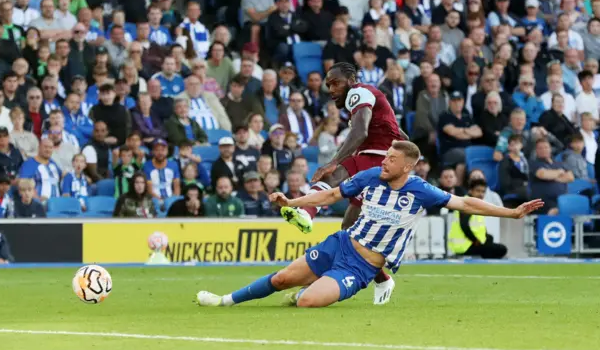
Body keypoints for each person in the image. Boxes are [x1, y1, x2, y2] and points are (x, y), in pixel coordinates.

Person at [197, 141, 542, 308]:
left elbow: (465, 202)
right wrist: (292, 202)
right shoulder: (370, 176)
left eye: (392, 158)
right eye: (386, 156)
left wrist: (511, 212)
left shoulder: (420, 190)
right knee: (281, 277)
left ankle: (376, 280)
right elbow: (331, 195)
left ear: (407, 167)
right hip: (342, 243)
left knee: (304, 302)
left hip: (364, 265)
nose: (385, 161)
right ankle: (224, 301)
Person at [279, 62, 407, 304]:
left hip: (376, 157)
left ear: (351, 80)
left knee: (331, 175)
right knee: (348, 232)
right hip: (380, 158)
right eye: (328, 85)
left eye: (335, 83)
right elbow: (401, 135)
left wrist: (334, 161)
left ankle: (306, 213)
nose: (331, 88)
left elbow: (360, 133)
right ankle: (381, 278)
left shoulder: (358, 92)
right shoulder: (369, 99)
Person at [448, 179, 509, 259]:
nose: (481, 194)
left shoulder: (474, 204)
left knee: (490, 239)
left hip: (468, 244)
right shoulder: (467, 203)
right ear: (471, 191)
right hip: (464, 246)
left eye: (483, 192)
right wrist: (475, 241)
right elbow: (464, 225)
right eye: (478, 191)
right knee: (501, 249)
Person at [530, 138, 574, 215]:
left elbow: (570, 177)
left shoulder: (559, 163)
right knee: (555, 211)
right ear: (536, 151)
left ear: (550, 149)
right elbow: (543, 175)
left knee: (573, 208)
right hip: (542, 202)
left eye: (546, 147)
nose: (543, 150)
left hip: (561, 199)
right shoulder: (534, 163)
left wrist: (552, 177)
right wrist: (560, 172)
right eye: (540, 148)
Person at [18, 138, 62, 202]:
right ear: (39, 148)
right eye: (45, 147)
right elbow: (23, 184)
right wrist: (37, 198)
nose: (48, 150)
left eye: (50, 147)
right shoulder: (29, 164)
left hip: (57, 205)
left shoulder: (53, 164)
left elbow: (62, 175)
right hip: (39, 205)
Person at [498, 135, 530, 207]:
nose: (515, 147)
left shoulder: (524, 160)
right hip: (511, 195)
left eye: (517, 144)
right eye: (512, 144)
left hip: (524, 193)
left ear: (521, 145)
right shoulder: (505, 161)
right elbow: (504, 182)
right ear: (508, 147)